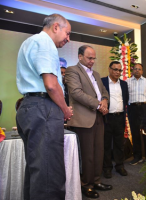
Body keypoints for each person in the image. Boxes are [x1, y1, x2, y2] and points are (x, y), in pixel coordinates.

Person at [16, 14, 73, 200]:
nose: (68, 38)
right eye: (67, 33)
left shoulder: (28, 42)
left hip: (28, 106)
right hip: (43, 107)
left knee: (37, 170)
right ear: (56, 27)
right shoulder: (45, 42)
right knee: (50, 173)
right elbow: (50, 84)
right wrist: (65, 109)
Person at [65, 45, 111, 199]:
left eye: (94, 58)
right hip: (83, 118)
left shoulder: (96, 74)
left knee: (99, 151)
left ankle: (96, 180)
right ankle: (86, 184)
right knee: (87, 154)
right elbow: (76, 93)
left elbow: (103, 91)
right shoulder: (72, 70)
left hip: (98, 116)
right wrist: (98, 104)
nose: (92, 61)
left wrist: (104, 101)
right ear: (80, 56)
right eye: (89, 58)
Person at [101, 61, 129, 178]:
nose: (117, 72)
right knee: (106, 144)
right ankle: (107, 168)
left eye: (119, 70)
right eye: (115, 69)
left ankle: (119, 166)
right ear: (109, 69)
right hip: (107, 118)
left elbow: (126, 99)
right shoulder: (102, 82)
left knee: (119, 144)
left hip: (120, 117)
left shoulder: (123, 84)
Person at [127, 63, 146, 165]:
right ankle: (137, 156)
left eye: (139, 69)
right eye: (135, 69)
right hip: (132, 108)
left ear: (142, 71)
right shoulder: (127, 82)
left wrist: (145, 105)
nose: (137, 71)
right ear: (132, 70)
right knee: (135, 132)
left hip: (145, 107)